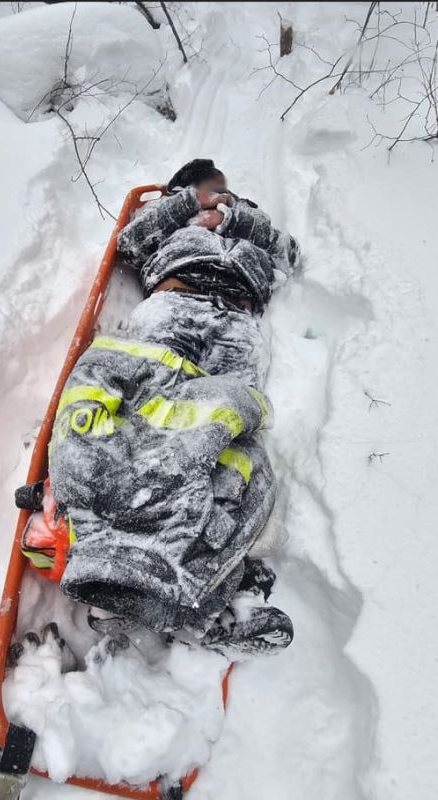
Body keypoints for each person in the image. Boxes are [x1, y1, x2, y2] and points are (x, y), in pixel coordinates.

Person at [24, 159, 299, 657]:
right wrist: (188, 205)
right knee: (149, 411)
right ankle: (125, 552)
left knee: (224, 432)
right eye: (211, 184)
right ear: (188, 186)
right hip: (175, 308)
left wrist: (234, 216)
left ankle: (188, 583)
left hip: (236, 325)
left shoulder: (248, 221)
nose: (221, 190)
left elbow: (286, 255)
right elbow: (129, 243)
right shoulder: (172, 214)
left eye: (224, 185)